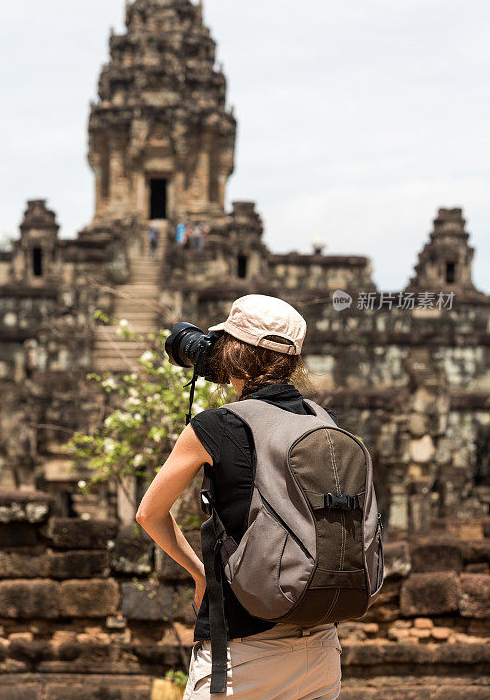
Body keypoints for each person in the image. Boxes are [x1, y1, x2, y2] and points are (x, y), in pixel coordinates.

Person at [136, 295, 342, 700]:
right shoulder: (321, 419)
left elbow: (150, 514)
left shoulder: (215, 425)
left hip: (243, 655)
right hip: (321, 649)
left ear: (232, 350)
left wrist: (200, 575)